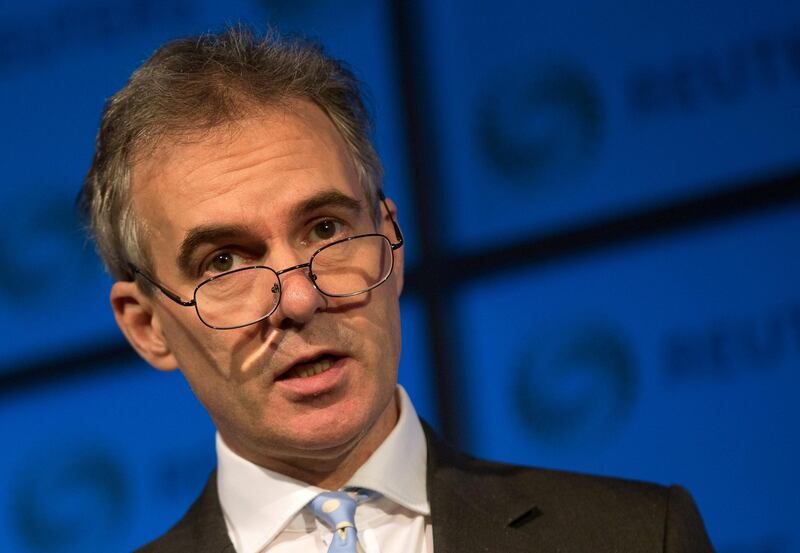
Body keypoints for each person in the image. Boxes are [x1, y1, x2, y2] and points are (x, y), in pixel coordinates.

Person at [79, 27, 715, 553]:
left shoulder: (636, 537)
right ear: (147, 325)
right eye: (223, 263)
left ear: (391, 235)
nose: (300, 300)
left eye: (325, 228)